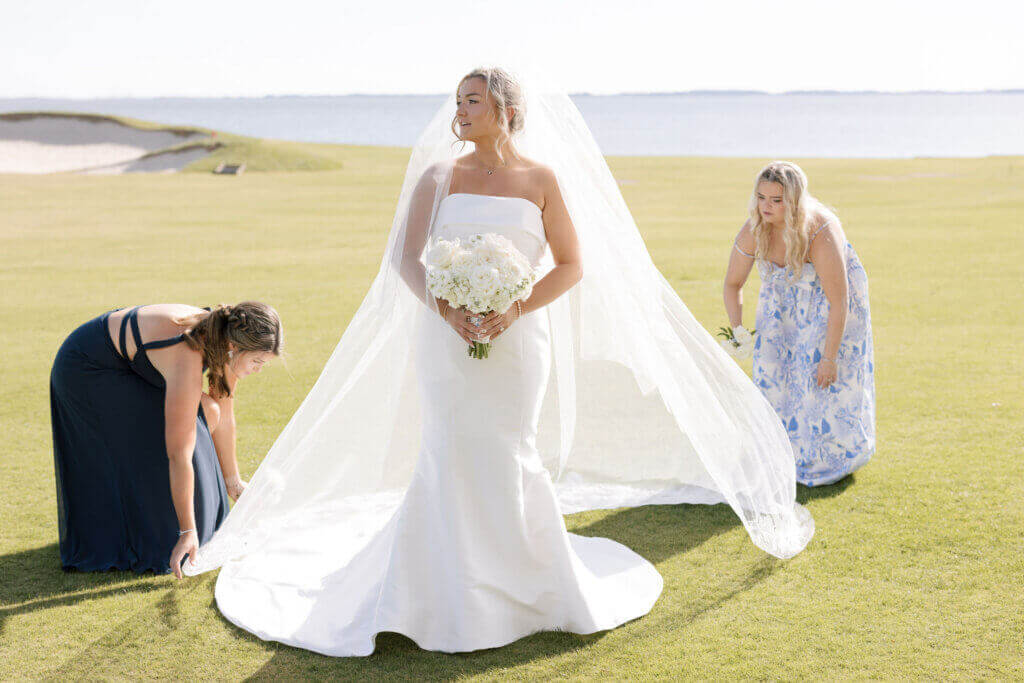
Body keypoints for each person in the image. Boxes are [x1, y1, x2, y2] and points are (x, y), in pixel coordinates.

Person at [183, 68, 814, 657]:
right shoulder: (438, 176)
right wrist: (447, 307)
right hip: (445, 338)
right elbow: (407, 260)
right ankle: (440, 588)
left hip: (517, 343)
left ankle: (523, 579)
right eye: (457, 100)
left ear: (506, 111)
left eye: (472, 100)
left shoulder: (541, 179)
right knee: (449, 446)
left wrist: (511, 310)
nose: (458, 110)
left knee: (509, 448)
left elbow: (570, 264)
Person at [49, 302, 282, 576]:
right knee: (202, 413)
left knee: (211, 410)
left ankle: (173, 525)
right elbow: (178, 453)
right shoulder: (187, 353)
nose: (259, 370)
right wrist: (187, 530)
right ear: (234, 348)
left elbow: (224, 410)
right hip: (88, 373)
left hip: (125, 366)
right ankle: (159, 533)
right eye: (257, 361)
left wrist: (233, 481)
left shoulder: (224, 339)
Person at [724, 161, 875, 486]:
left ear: (792, 201)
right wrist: (738, 332)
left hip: (831, 306)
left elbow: (840, 301)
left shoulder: (819, 231)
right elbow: (732, 284)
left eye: (776, 200)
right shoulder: (754, 229)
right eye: (762, 197)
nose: (766, 206)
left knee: (820, 382)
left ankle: (831, 455)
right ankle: (777, 457)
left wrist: (829, 357)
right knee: (772, 377)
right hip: (780, 309)